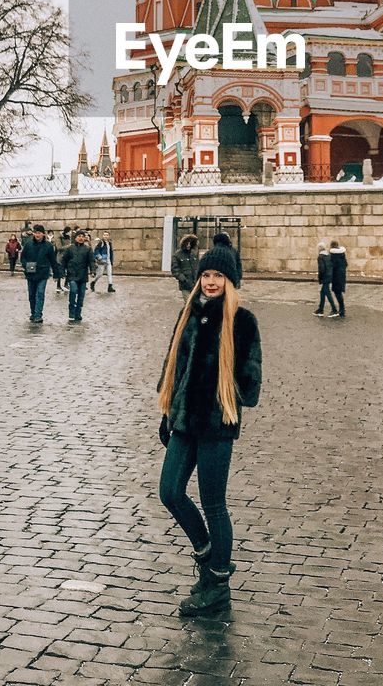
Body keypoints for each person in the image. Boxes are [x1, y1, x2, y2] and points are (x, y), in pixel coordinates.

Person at [157, 245, 262, 617]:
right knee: (169, 491)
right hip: (184, 421)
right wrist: (167, 412)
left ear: (230, 280)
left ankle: (217, 583)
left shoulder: (243, 321)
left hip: (218, 426)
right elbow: (172, 366)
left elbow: (251, 388)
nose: (211, 282)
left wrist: (222, 387)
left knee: (214, 504)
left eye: (218, 276)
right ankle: (206, 553)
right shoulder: (188, 315)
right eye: (206, 275)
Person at [20, 224, 56, 323]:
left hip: (43, 273)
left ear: (43, 234)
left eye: (39, 232)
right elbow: (22, 257)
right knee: (32, 294)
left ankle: (38, 315)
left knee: (40, 293)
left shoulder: (48, 246)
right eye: (36, 232)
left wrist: (56, 273)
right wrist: (26, 265)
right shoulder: (28, 244)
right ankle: (33, 312)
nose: (37, 234)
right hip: (31, 273)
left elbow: (53, 260)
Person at [64, 229, 96, 324]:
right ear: (76, 238)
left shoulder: (88, 249)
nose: (81, 238)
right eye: (79, 236)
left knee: (81, 296)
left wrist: (92, 270)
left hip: (82, 275)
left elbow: (91, 261)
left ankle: (78, 313)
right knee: (73, 291)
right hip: (72, 275)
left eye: (83, 236)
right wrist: (63, 271)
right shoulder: (70, 248)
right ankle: (72, 312)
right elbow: (64, 260)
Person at [314, 243, 337, 317]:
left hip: (325, 277)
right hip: (330, 276)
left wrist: (320, 278)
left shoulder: (320, 257)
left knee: (327, 293)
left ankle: (334, 310)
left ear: (319, 249)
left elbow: (322, 269)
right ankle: (320, 309)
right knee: (322, 292)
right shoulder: (328, 255)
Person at [329, 240, 348, 318]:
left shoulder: (333, 255)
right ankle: (341, 308)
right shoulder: (342, 254)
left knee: (337, 292)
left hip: (336, 276)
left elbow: (332, 266)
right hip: (342, 275)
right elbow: (346, 264)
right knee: (338, 292)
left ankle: (342, 309)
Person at [56, 228, 72, 293]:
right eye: (70, 232)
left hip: (68, 257)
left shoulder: (69, 238)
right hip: (61, 257)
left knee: (69, 270)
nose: (70, 233)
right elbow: (59, 247)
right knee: (60, 273)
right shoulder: (59, 238)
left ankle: (66, 284)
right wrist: (68, 246)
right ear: (67, 232)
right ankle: (58, 286)